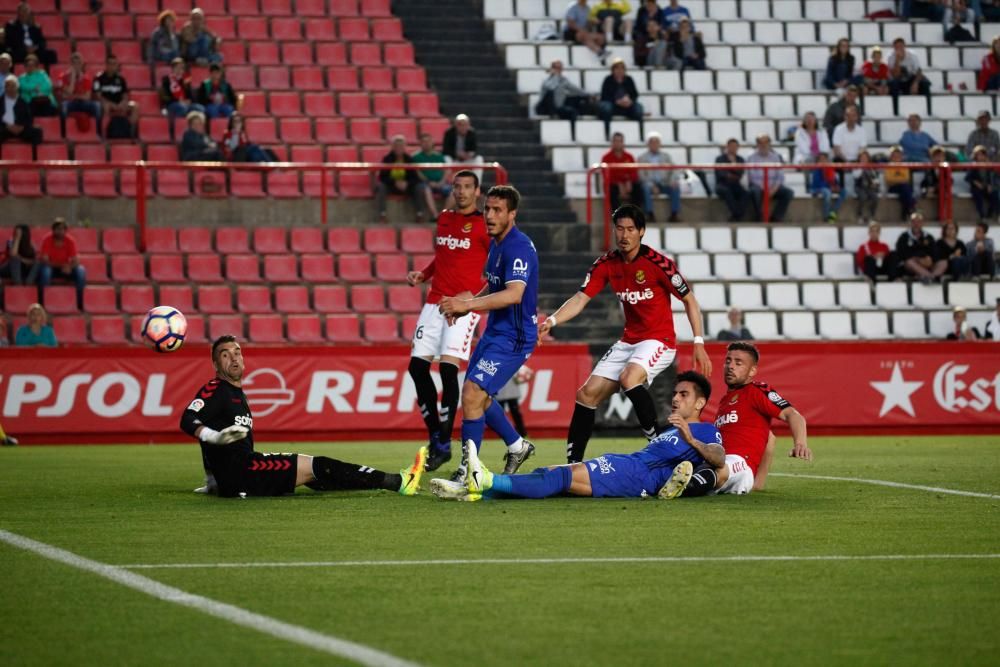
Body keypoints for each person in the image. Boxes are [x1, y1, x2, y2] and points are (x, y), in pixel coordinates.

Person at [536, 204, 711, 462]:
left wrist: (698, 342)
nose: (624, 235)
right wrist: (552, 319)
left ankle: (658, 443)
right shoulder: (606, 263)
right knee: (586, 394)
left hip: (659, 340)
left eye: (630, 229)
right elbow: (581, 298)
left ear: (641, 231)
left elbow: (690, 300)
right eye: (619, 228)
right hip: (629, 341)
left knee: (630, 377)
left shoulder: (658, 264)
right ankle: (573, 466)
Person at [181, 335, 426, 498]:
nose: (234, 358)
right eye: (225, 354)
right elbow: (189, 418)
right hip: (246, 471)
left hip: (239, 475)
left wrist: (213, 479)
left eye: (237, 352)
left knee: (315, 476)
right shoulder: (215, 389)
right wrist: (214, 437)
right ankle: (398, 482)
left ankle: (388, 482)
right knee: (318, 465)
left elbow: (210, 428)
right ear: (215, 363)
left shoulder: (234, 392)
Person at [430, 371, 724, 502]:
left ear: (700, 403)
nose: (675, 399)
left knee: (561, 478)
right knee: (551, 473)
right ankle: (473, 490)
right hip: (628, 465)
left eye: (683, 395)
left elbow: (719, 460)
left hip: (636, 477)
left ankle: (486, 481)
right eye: (674, 393)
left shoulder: (704, 429)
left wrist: (690, 437)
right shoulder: (672, 430)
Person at [437, 185, 540, 479]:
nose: (490, 216)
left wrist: (468, 305)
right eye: (487, 210)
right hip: (496, 332)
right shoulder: (496, 244)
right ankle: (517, 445)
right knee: (476, 397)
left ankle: (468, 471)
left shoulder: (518, 247)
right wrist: (466, 304)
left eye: (497, 210)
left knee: (471, 394)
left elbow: (513, 294)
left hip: (514, 337)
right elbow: (495, 286)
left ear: (512, 214)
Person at [406, 170, 491, 472]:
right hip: (434, 300)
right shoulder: (443, 217)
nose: (462, 192)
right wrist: (424, 274)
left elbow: (496, 269)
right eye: (458, 187)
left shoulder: (484, 226)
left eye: (468, 187)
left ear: (477, 191)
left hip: (463, 307)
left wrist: (474, 297)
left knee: (447, 368)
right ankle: (437, 437)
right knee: (416, 367)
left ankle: (443, 436)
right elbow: (442, 255)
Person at [669, 342, 812, 498]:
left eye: (738, 363)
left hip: (739, 465)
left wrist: (800, 443)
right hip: (720, 461)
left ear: (752, 371)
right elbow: (770, 439)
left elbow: (793, 415)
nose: (731, 366)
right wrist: (758, 484)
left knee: (718, 469)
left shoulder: (757, 391)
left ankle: (687, 487)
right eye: (728, 361)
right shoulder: (724, 402)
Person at [374, 134, 437, 224]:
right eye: (396, 146)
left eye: (401, 146)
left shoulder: (409, 159)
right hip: (391, 186)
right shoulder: (387, 159)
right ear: (393, 147)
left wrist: (406, 183)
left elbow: (415, 178)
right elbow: (382, 177)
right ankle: (382, 215)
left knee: (419, 187)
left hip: (407, 186)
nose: (399, 148)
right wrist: (395, 182)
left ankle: (420, 214)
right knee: (381, 186)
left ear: (404, 147)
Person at [37, 218, 85, 309]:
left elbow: (76, 260)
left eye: (63, 229)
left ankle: (79, 303)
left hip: (65, 268)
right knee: (45, 272)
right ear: (53, 230)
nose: (60, 231)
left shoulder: (70, 241)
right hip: (51, 268)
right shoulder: (47, 240)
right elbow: (45, 260)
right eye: (58, 229)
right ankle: (43, 302)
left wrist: (70, 267)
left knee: (81, 271)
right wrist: (62, 266)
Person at [746, 134, 794, 223]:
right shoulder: (751, 157)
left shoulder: (775, 157)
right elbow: (752, 176)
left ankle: (776, 217)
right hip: (758, 186)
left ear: (769, 144)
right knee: (755, 191)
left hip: (773, 187)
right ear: (757, 144)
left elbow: (780, 176)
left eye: (766, 142)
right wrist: (764, 188)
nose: (763, 145)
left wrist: (774, 189)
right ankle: (759, 216)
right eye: (760, 142)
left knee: (788, 193)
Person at [535, 60, 591, 133]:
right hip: (545, 107)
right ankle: (554, 114)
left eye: (560, 68)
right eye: (556, 68)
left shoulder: (564, 80)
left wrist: (588, 95)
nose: (559, 70)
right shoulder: (546, 80)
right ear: (552, 68)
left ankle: (574, 132)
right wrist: (556, 76)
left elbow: (574, 89)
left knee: (576, 103)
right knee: (550, 93)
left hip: (559, 106)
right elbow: (551, 87)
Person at [637, 131, 681, 222]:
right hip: (650, 184)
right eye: (652, 142)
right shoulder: (642, 158)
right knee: (645, 188)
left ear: (659, 144)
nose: (654, 144)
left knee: (675, 187)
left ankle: (674, 214)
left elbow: (674, 169)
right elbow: (641, 174)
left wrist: (673, 180)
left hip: (665, 183)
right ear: (648, 144)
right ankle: (650, 214)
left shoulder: (666, 156)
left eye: (656, 142)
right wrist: (651, 185)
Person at [93, 54, 138, 138]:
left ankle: (130, 132)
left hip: (119, 103)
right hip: (106, 103)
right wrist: (111, 104)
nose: (112, 66)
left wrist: (123, 103)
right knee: (105, 106)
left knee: (135, 106)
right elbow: (98, 96)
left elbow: (125, 95)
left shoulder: (121, 79)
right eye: (110, 63)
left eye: (114, 64)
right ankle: (104, 134)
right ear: (106, 65)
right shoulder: (98, 78)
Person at [55, 52, 100, 135]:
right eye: (74, 63)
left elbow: (87, 97)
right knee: (64, 106)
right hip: (70, 103)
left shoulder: (86, 78)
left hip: (83, 103)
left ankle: (97, 132)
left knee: (96, 106)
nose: (76, 65)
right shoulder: (62, 77)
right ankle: (63, 134)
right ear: (70, 64)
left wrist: (73, 96)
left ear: (82, 64)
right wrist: (72, 77)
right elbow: (67, 94)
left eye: (78, 63)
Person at [601, 131, 646, 213]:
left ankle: (635, 215)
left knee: (638, 187)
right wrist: (619, 184)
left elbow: (634, 173)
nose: (618, 143)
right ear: (612, 143)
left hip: (627, 184)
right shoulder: (606, 157)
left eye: (620, 141)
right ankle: (617, 217)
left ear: (623, 143)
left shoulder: (629, 156)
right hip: (614, 185)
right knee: (611, 190)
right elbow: (606, 176)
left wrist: (628, 181)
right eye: (615, 141)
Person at [599, 58, 644, 138]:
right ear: (613, 70)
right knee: (606, 107)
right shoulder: (608, 80)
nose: (619, 70)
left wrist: (630, 101)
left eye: (622, 68)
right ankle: (607, 133)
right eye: (617, 68)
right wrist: (616, 101)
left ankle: (640, 135)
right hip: (613, 105)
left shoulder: (629, 79)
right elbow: (604, 96)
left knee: (639, 108)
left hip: (627, 105)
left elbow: (635, 94)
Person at [5, 3, 56, 69]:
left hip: (34, 51)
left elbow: (42, 42)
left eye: (26, 11)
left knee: (51, 54)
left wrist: (35, 47)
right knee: (10, 55)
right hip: (20, 51)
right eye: (22, 11)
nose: (24, 14)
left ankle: (46, 74)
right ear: (18, 13)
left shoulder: (35, 27)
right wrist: (25, 48)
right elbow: (10, 41)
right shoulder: (11, 26)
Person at [887, 38, 931, 114]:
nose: (899, 49)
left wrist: (915, 83)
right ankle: (896, 110)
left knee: (925, 84)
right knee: (893, 85)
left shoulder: (912, 55)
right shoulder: (891, 57)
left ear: (904, 46)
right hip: (898, 79)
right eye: (896, 47)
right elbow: (895, 75)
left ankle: (928, 109)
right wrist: (897, 60)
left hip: (911, 78)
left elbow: (919, 71)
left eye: (901, 46)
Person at [412, 132, 453, 208]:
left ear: (432, 142)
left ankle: (443, 215)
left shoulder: (439, 156)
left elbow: (446, 171)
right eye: (424, 141)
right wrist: (428, 182)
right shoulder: (415, 157)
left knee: (454, 191)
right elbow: (417, 172)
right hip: (425, 184)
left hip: (441, 183)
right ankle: (435, 215)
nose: (426, 143)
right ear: (420, 143)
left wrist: (442, 182)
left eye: (428, 141)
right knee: (426, 189)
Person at [160, 57, 203, 126]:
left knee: (200, 108)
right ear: (173, 69)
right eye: (178, 68)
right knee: (182, 108)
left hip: (185, 103)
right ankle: (180, 127)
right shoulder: (166, 80)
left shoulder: (185, 80)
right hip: (172, 104)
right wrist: (178, 101)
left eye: (182, 68)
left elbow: (190, 95)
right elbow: (166, 97)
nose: (180, 70)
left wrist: (189, 100)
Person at [1, 74, 42, 146]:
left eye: (13, 86)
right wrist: (7, 126)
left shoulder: (23, 102)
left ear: (17, 87)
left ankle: (34, 155)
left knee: (37, 132)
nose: (10, 88)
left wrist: (22, 127)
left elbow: (29, 118)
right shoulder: (0, 101)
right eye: (8, 86)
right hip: (5, 128)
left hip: (20, 129)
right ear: (5, 88)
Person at [896, 212, 936, 283]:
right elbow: (901, 253)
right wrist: (917, 259)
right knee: (909, 262)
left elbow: (934, 252)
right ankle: (930, 277)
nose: (916, 224)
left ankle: (922, 276)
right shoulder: (904, 237)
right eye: (914, 222)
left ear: (922, 223)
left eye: (919, 222)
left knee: (938, 262)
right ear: (911, 223)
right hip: (911, 265)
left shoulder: (929, 237)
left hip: (926, 263)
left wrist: (928, 258)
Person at [714, 138, 748, 222]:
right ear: (727, 147)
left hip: (735, 184)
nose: (733, 148)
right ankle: (737, 214)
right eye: (731, 146)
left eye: (735, 146)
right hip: (722, 184)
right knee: (727, 191)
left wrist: (732, 166)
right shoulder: (720, 159)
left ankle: (736, 215)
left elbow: (740, 174)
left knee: (746, 193)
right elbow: (721, 174)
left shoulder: (740, 159)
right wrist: (732, 172)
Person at [496, 366, 532, 438]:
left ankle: (522, 433)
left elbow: (519, 379)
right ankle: (503, 434)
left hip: (509, 392)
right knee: (500, 416)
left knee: (515, 414)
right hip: (501, 392)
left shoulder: (514, 362)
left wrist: (521, 379)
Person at [965, 145, 1000, 221]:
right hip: (976, 188)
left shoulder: (989, 166)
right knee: (978, 196)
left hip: (986, 187)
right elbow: (968, 178)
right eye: (978, 155)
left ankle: (993, 214)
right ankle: (982, 216)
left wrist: (990, 185)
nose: (980, 157)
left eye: (982, 155)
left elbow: (993, 177)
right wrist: (976, 183)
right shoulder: (972, 165)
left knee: (994, 194)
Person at [810, 151, 845, 223]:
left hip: (829, 187)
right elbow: (817, 183)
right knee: (827, 192)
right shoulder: (816, 169)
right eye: (821, 159)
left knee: (844, 191)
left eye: (825, 159)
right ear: (818, 161)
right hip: (817, 188)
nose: (823, 161)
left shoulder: (830, 169)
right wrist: (830, 187)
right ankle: (826, 217)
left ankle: (832, 212)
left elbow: (834, 180)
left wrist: (836, 186)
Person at [832, 105, 867, 173]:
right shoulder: (838, 129)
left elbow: (863, 148)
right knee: (837, 160)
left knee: (865, 157)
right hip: (842, 160)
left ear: (856, 117)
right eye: (848, 115)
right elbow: (837, 149)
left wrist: (855, 162)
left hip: (857, 160)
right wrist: (847, 162)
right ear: (844, 117)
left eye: (853, 115)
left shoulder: (862, 130)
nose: (851, 118)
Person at [884, 145, 916, 221]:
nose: (896, 157)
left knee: (904, 189)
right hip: (892, 187)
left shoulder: (904, 166)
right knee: (906, 189)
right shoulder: (888, 166)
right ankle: (911, 208)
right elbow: (889, 180)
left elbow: (907, 179)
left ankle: (905, 212)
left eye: (898, 155)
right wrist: (900, 180)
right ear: (891, 156)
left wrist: (897, 180)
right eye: (894, 155)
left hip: (902, 187)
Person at [633, 0, 665, 67]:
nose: (652, 28)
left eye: (654, 26)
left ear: (658, 27)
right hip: (647, 60)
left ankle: (659, 65)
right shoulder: (642, 40)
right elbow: (640, 55)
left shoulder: (662, 39)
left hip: (660, 59)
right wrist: (650, 47)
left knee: (662, 44)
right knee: (658, 46)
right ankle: (658, 66)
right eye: (650, 26)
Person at [853, 150, 881, 224]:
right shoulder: (856, 166)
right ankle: (860, 215)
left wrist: (874, 183)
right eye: (862, 157)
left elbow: (875, 179)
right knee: (863, 197)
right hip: (859, 187)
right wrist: (862, 167)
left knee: (875, 197)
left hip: (869, 187)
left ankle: (872, 216)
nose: (864, 159)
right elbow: (856, 176)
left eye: (865, 157)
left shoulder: (872, 167)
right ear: (859, 158)